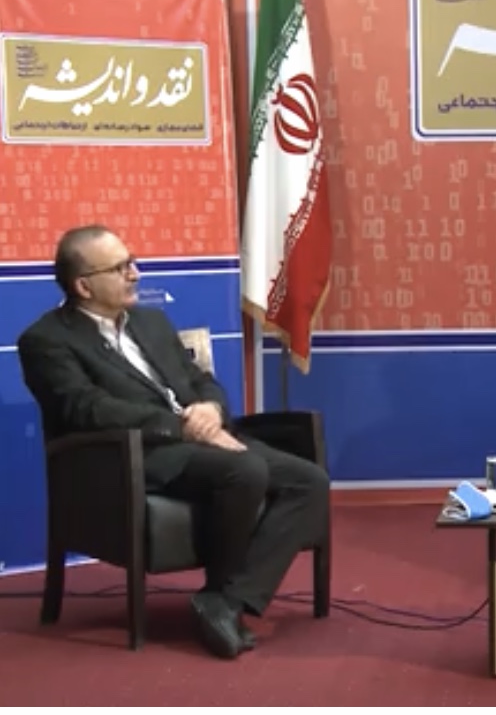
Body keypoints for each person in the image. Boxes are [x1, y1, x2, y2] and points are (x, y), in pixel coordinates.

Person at [17, 225, 331, 660]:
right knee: (245, 470)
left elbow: (200, 380)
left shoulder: (152, 321)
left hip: (202, 437)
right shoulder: (46, 341)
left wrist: (211, 409)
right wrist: (179, 427)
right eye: (120, 268)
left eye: (132, 262)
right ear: (83, 286)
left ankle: (225, 600)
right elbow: (87, 409)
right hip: (136, 454)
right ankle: (222, 598)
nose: (135, 274)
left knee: (309, 480)